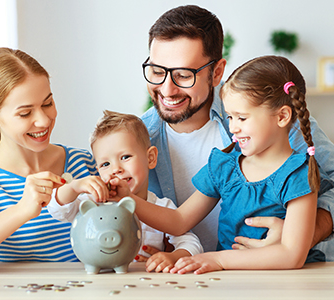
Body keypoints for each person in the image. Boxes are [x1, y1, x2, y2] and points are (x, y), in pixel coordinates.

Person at [141, 5, 334, 258]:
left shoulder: (274, 120)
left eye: (183, 75)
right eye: (157, 71)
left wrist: (302, 233)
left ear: (217, 72)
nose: (166, 90)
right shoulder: (137, 139)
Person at [114, 55, 332, 274]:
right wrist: (126, 198)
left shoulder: (298, 173)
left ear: (282, 116)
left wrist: (218, 260)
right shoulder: (225, 166)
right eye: (229, 117)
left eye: (242, 118)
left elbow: (291, 255)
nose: (233, 128)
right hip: (227, 282)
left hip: (283, 283)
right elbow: (179, 221)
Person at [0, 47, 108, 276]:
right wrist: (22, 210)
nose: (44, 120)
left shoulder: (83, 162)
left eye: (47, 103)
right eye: (25, 113)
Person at [48, 110, 203, 273]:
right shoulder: (94, 202)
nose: (116, 169)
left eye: (125, 157)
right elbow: (57, 209)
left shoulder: (161, 207)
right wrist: (74, 186)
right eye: (105, 164)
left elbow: (191, 243)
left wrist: (171, 257)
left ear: (150, 158)